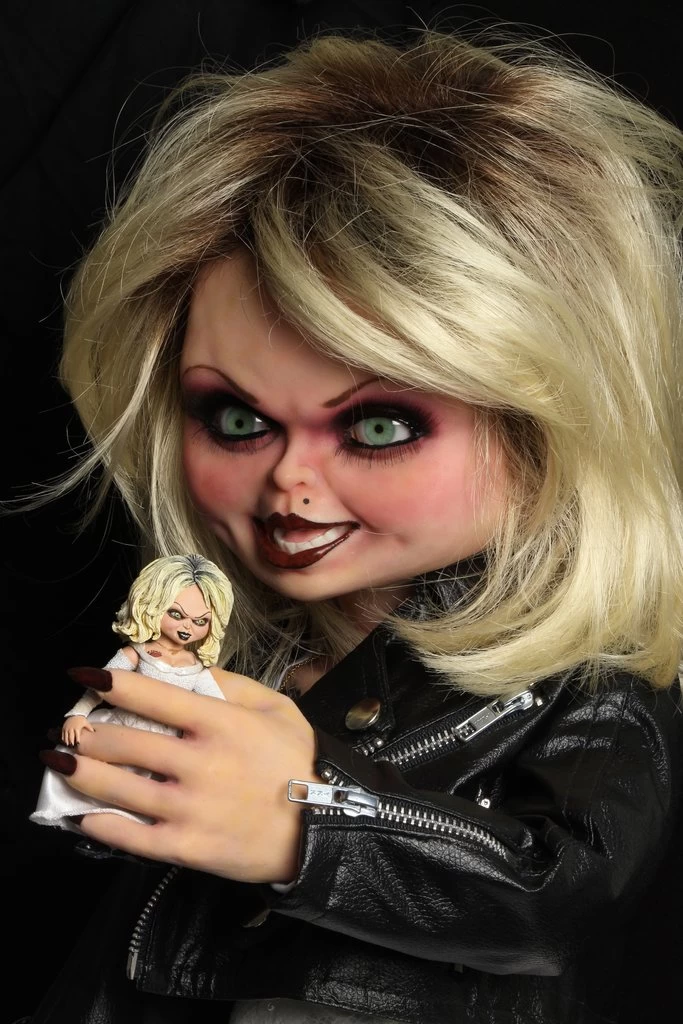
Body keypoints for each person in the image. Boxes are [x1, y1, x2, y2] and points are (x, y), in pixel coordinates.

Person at [29, 28, 683, 1024]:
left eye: (378, 427)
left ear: (546, 425)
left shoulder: (584, 689)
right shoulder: (245, 644)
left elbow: (556, 894)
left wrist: (309, 819)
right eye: (237, 419)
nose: (288, 481)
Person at [31, 553, 234, 831]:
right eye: (176, 614)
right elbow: (103, 685)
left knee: (147, 804)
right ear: (153, 606)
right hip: (123, 730)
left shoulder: (197, 669)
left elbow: (218, 708)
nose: (187, 626)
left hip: (168, 748)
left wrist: (227, 738)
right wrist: (77, 714)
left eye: (201, 621)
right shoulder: (136, 653)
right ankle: (93, 828)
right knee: (101, 787)